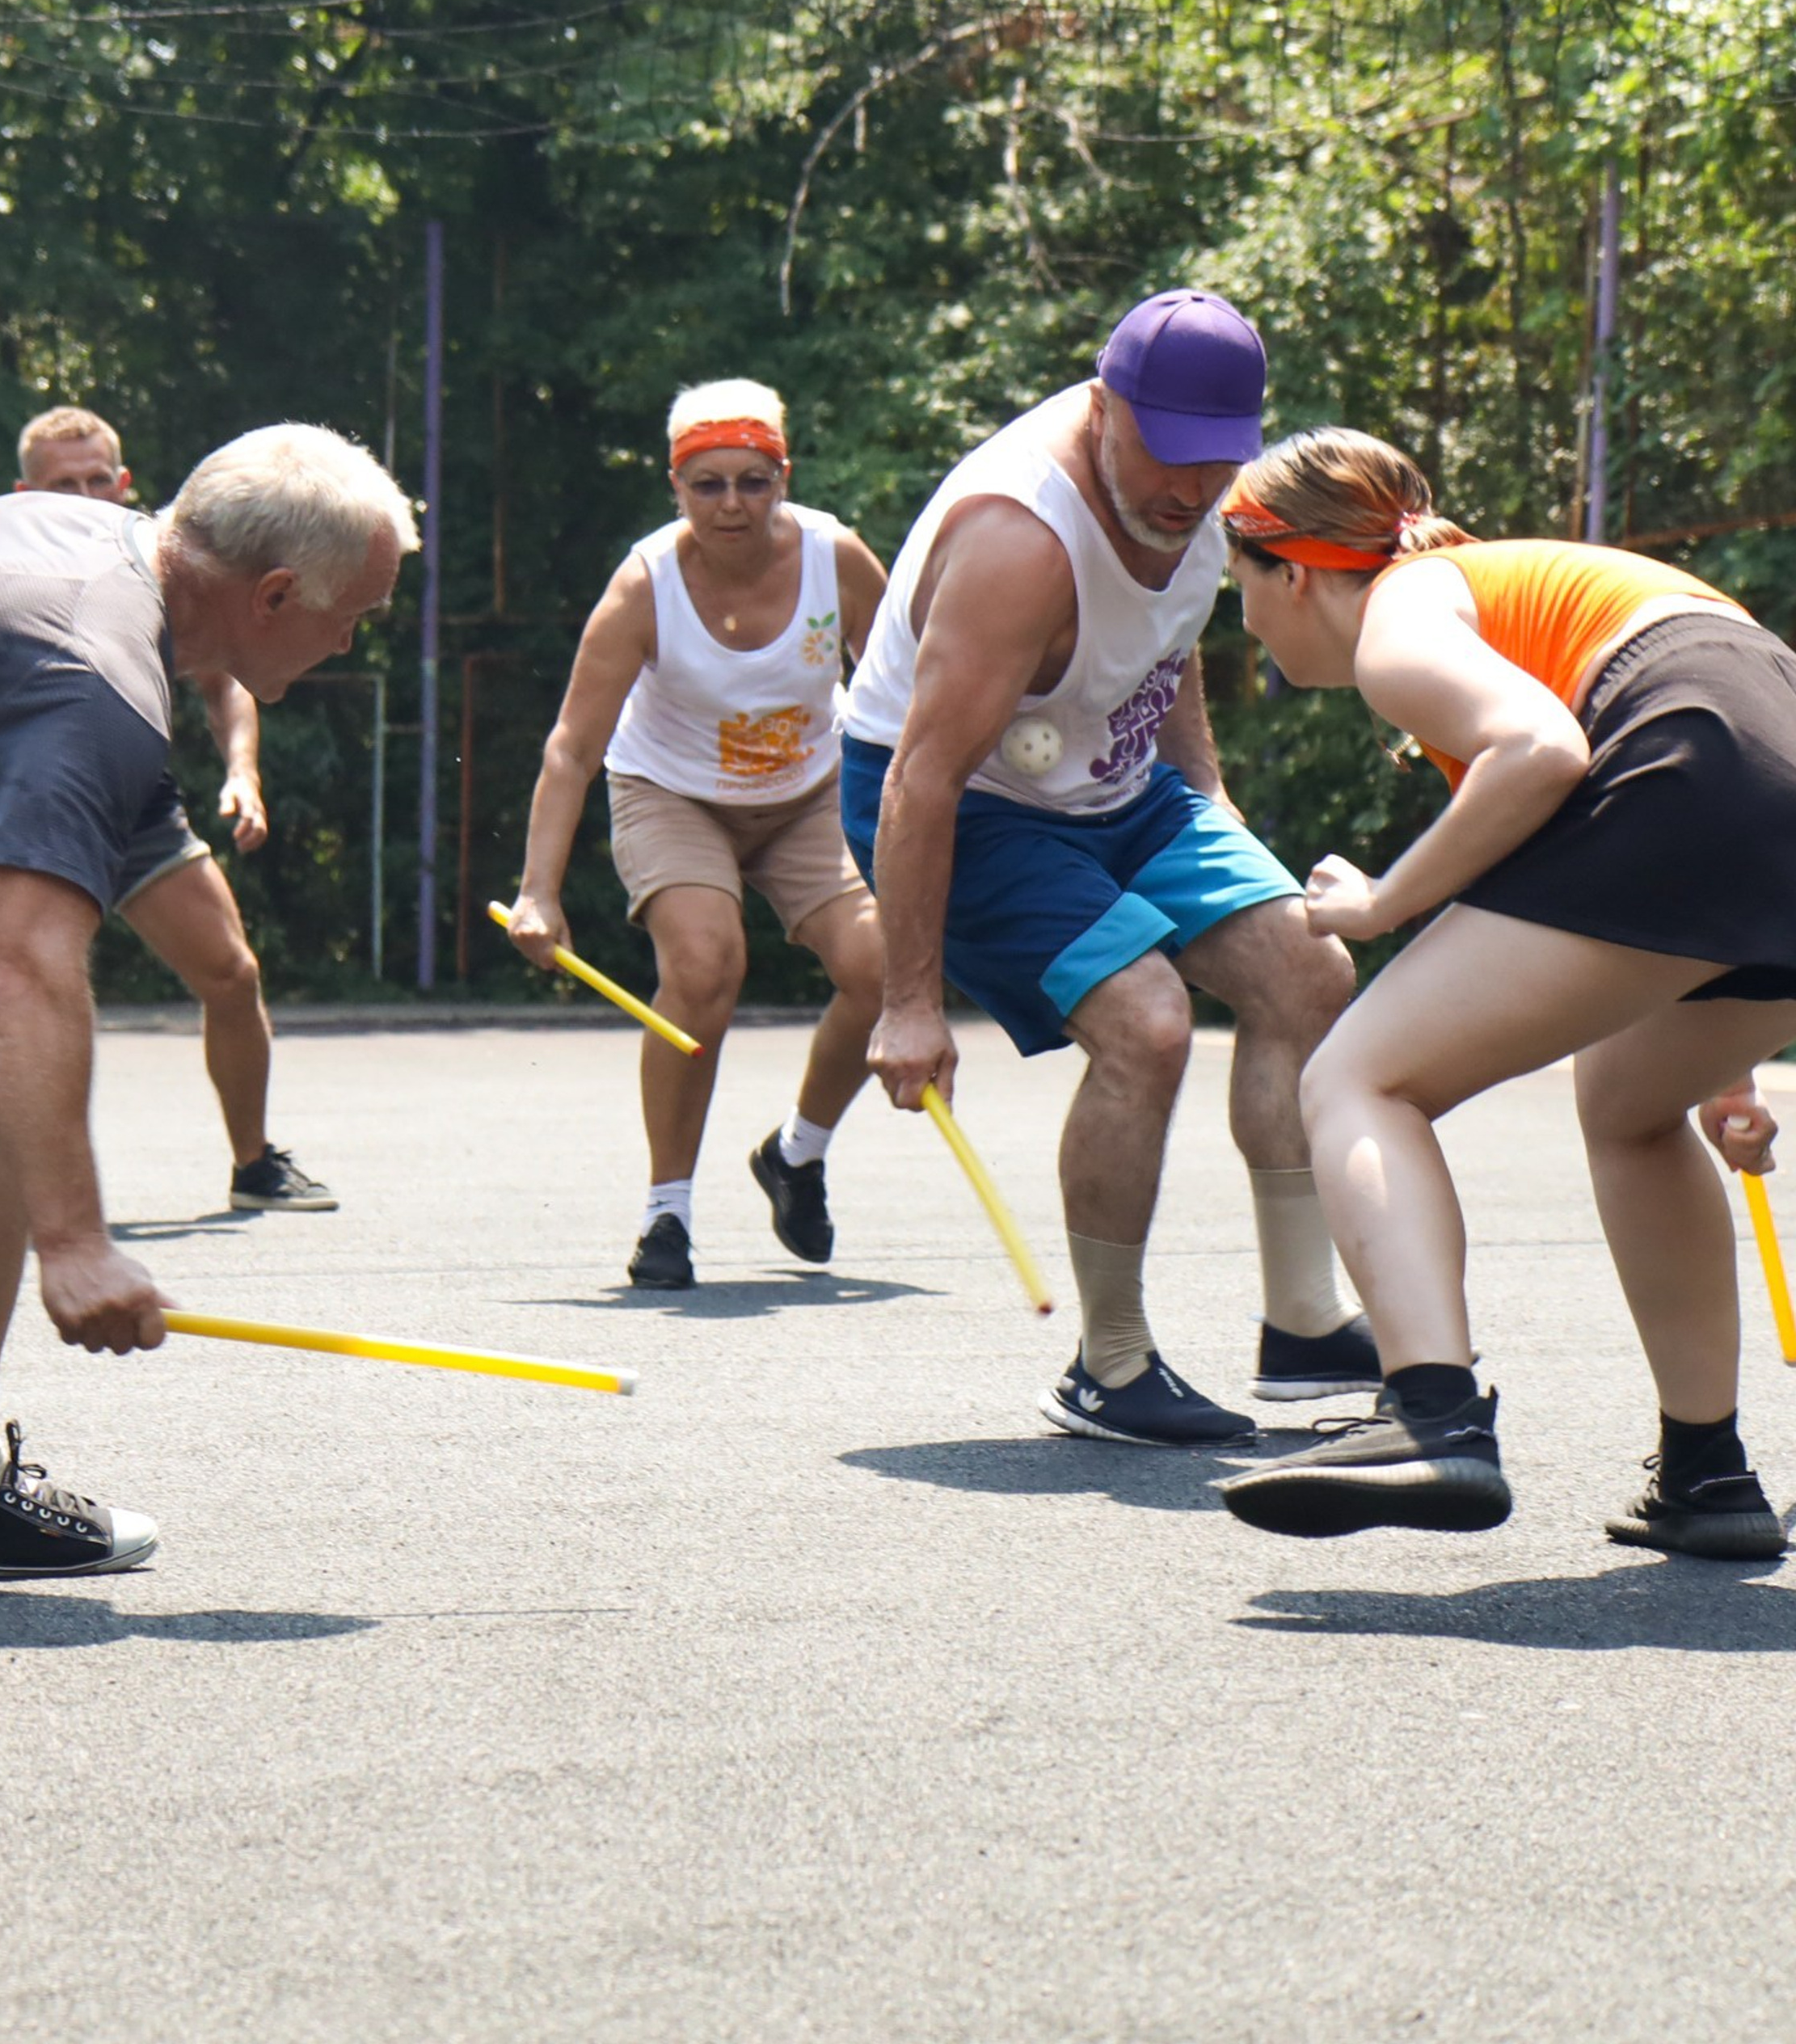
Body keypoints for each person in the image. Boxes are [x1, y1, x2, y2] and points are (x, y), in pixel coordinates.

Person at [0, 424, 416, 1578]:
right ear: (273, 593)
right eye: (354, 616)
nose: (350, 641)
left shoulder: (79, 541)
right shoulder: (94, 678)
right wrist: (76, 1243)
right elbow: (27, 970)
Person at [1212, 428, 1794, 1557]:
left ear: (1294, 571)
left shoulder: (1402, 612)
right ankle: (1707, 1474)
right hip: (1753, 790)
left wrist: (1381, 903)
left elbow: (1539, 750)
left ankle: (1430, 1414)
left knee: (1358, 1079)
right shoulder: (1515, 595)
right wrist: (1722, 1067)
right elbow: (1734, 769)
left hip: (1681, 765)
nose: (1245, 624)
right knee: (1629, 1106)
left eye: (1241, 585)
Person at [838, 291, 1377, 1444]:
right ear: (1103, 406)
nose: (1191, 488)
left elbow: (1164, 644)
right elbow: (922, 779)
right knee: (1148, 1023)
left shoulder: (1215, 497)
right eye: (1167, 452)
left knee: (1308, 969)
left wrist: (1209, 796)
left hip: (1118, 775)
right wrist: (907, 1001)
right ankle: (1110, 1364)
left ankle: (1301, 1321)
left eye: (1215, 460)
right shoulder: (1019, 542)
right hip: (970, 805)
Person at [0, 406, 336, 1233]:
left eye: (96, 478)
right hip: (12, 798)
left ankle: (255, 1165)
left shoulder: (168, 567)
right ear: (25, 492)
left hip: (128, 794)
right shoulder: (7, 561)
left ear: (124, 482)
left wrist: (243, 774)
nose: (83, 494)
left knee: (232, 973)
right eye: (62, 482)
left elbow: (226, 680)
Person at [505, 380, 889, 1289]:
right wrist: (537, 891)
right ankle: (666, 1211)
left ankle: (797, 1154)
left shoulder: (836, 558)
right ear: (675, 486)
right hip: (673, 794)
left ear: (784, 477)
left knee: (884, 968)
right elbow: (572, 747)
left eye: (754, 481)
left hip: (809, 793)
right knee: (706, 963)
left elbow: (902, 698)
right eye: (707, 484)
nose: (731, 504)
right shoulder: (645, 585)